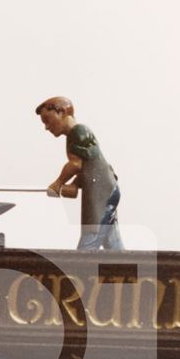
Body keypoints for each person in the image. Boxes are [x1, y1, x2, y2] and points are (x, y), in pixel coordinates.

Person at [36, 96, 124, 250]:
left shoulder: (78, 132)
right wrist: (75, 184)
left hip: (100, 194)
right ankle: (128, 269)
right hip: (106, 189)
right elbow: (90, 166)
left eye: (47, 120)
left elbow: (76, 164)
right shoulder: (77, 133)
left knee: (89, 241)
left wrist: (58, 184)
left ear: (62, 112)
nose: (47, 127)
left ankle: (78, 271)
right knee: (111, 241)